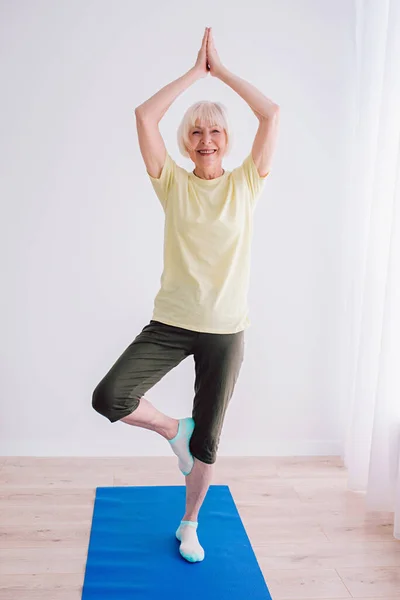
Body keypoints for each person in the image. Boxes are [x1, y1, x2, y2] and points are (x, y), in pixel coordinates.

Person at [92, 26, 280, 563]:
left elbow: (271, 114)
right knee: (111, 397)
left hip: (226, 329)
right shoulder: (171, 183)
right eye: (196, 132)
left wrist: (221, 72)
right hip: (171, 322)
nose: (206, 140)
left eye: (215, 132)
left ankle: (190, 524)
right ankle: (176, 430)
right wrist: (193, 75)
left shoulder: (247, 182)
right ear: (185, 141)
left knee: (210, 444)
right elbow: (143, 117)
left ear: (227, 139)